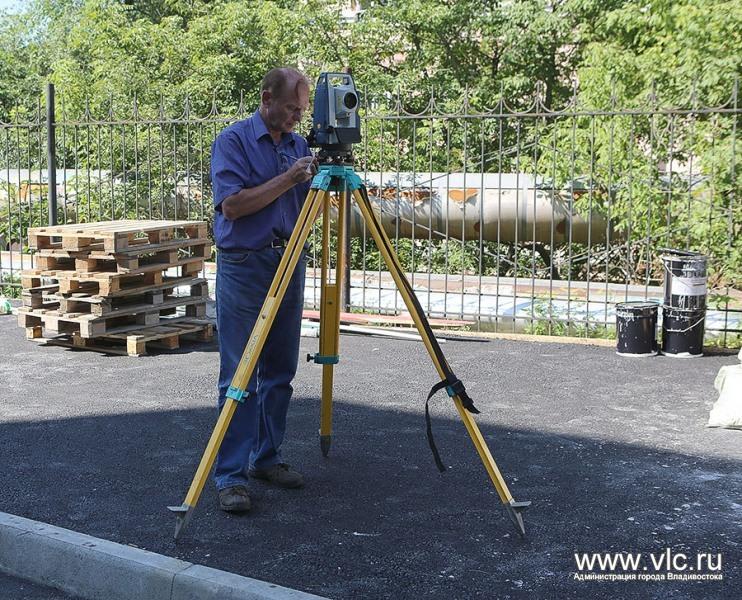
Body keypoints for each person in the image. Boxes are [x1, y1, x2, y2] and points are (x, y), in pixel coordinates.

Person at [210, 67, 318, 513]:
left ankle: (266, 458)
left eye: (302, 110)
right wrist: (290, 179)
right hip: (244, 264)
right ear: (266, 99)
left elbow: (309, 205)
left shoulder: (298, 146)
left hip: (288, 261)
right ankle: (230, 477)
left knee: (279, 371)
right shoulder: (233, 141)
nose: (297, 117)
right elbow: (233, 206)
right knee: (239, 374)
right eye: (291, 108)